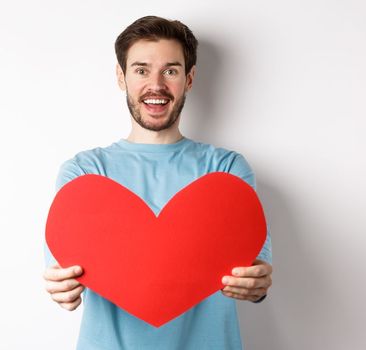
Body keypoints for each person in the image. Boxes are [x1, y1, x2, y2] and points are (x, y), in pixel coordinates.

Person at [41, 15, 273, 349]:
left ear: (189, 79)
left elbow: (255, 268)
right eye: (141, 69)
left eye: (171, 70)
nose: (156, 84)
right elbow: (64, 272)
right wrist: (62, 288)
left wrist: (257, 285)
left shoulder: (226, 170)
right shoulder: (84, 174)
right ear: (121, 77)